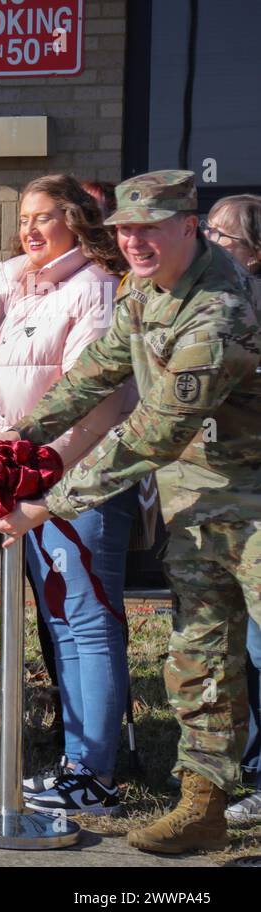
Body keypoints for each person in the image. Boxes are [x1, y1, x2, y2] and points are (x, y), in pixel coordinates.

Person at [0, 170, 261, 854]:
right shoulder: (144, 292)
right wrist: (20, 437)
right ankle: (203, 802)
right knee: (200, 653)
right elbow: (98, 371)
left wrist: (49, 503)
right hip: (198, 504)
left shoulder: (221, 311)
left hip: (254, 504)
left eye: (150, 228)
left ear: (188, 226)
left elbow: (155, 432)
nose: (135, 242)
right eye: (124, 231)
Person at [0, 174, 134, 814]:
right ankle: (76, 763)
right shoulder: (13, 289)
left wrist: (45, 474)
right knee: (62, 623)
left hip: (78, 484)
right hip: (28, 484)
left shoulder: (94, 289)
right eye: (24, 218)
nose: (29, 230)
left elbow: (103, 404)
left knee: (88, 625)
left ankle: (94, 775)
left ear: (76, 221)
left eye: (44, 217)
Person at [203, 193, 261, 824]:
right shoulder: (214, 305)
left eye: (224, 237)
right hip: (222, 503)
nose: (212, 245)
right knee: (232, 646)